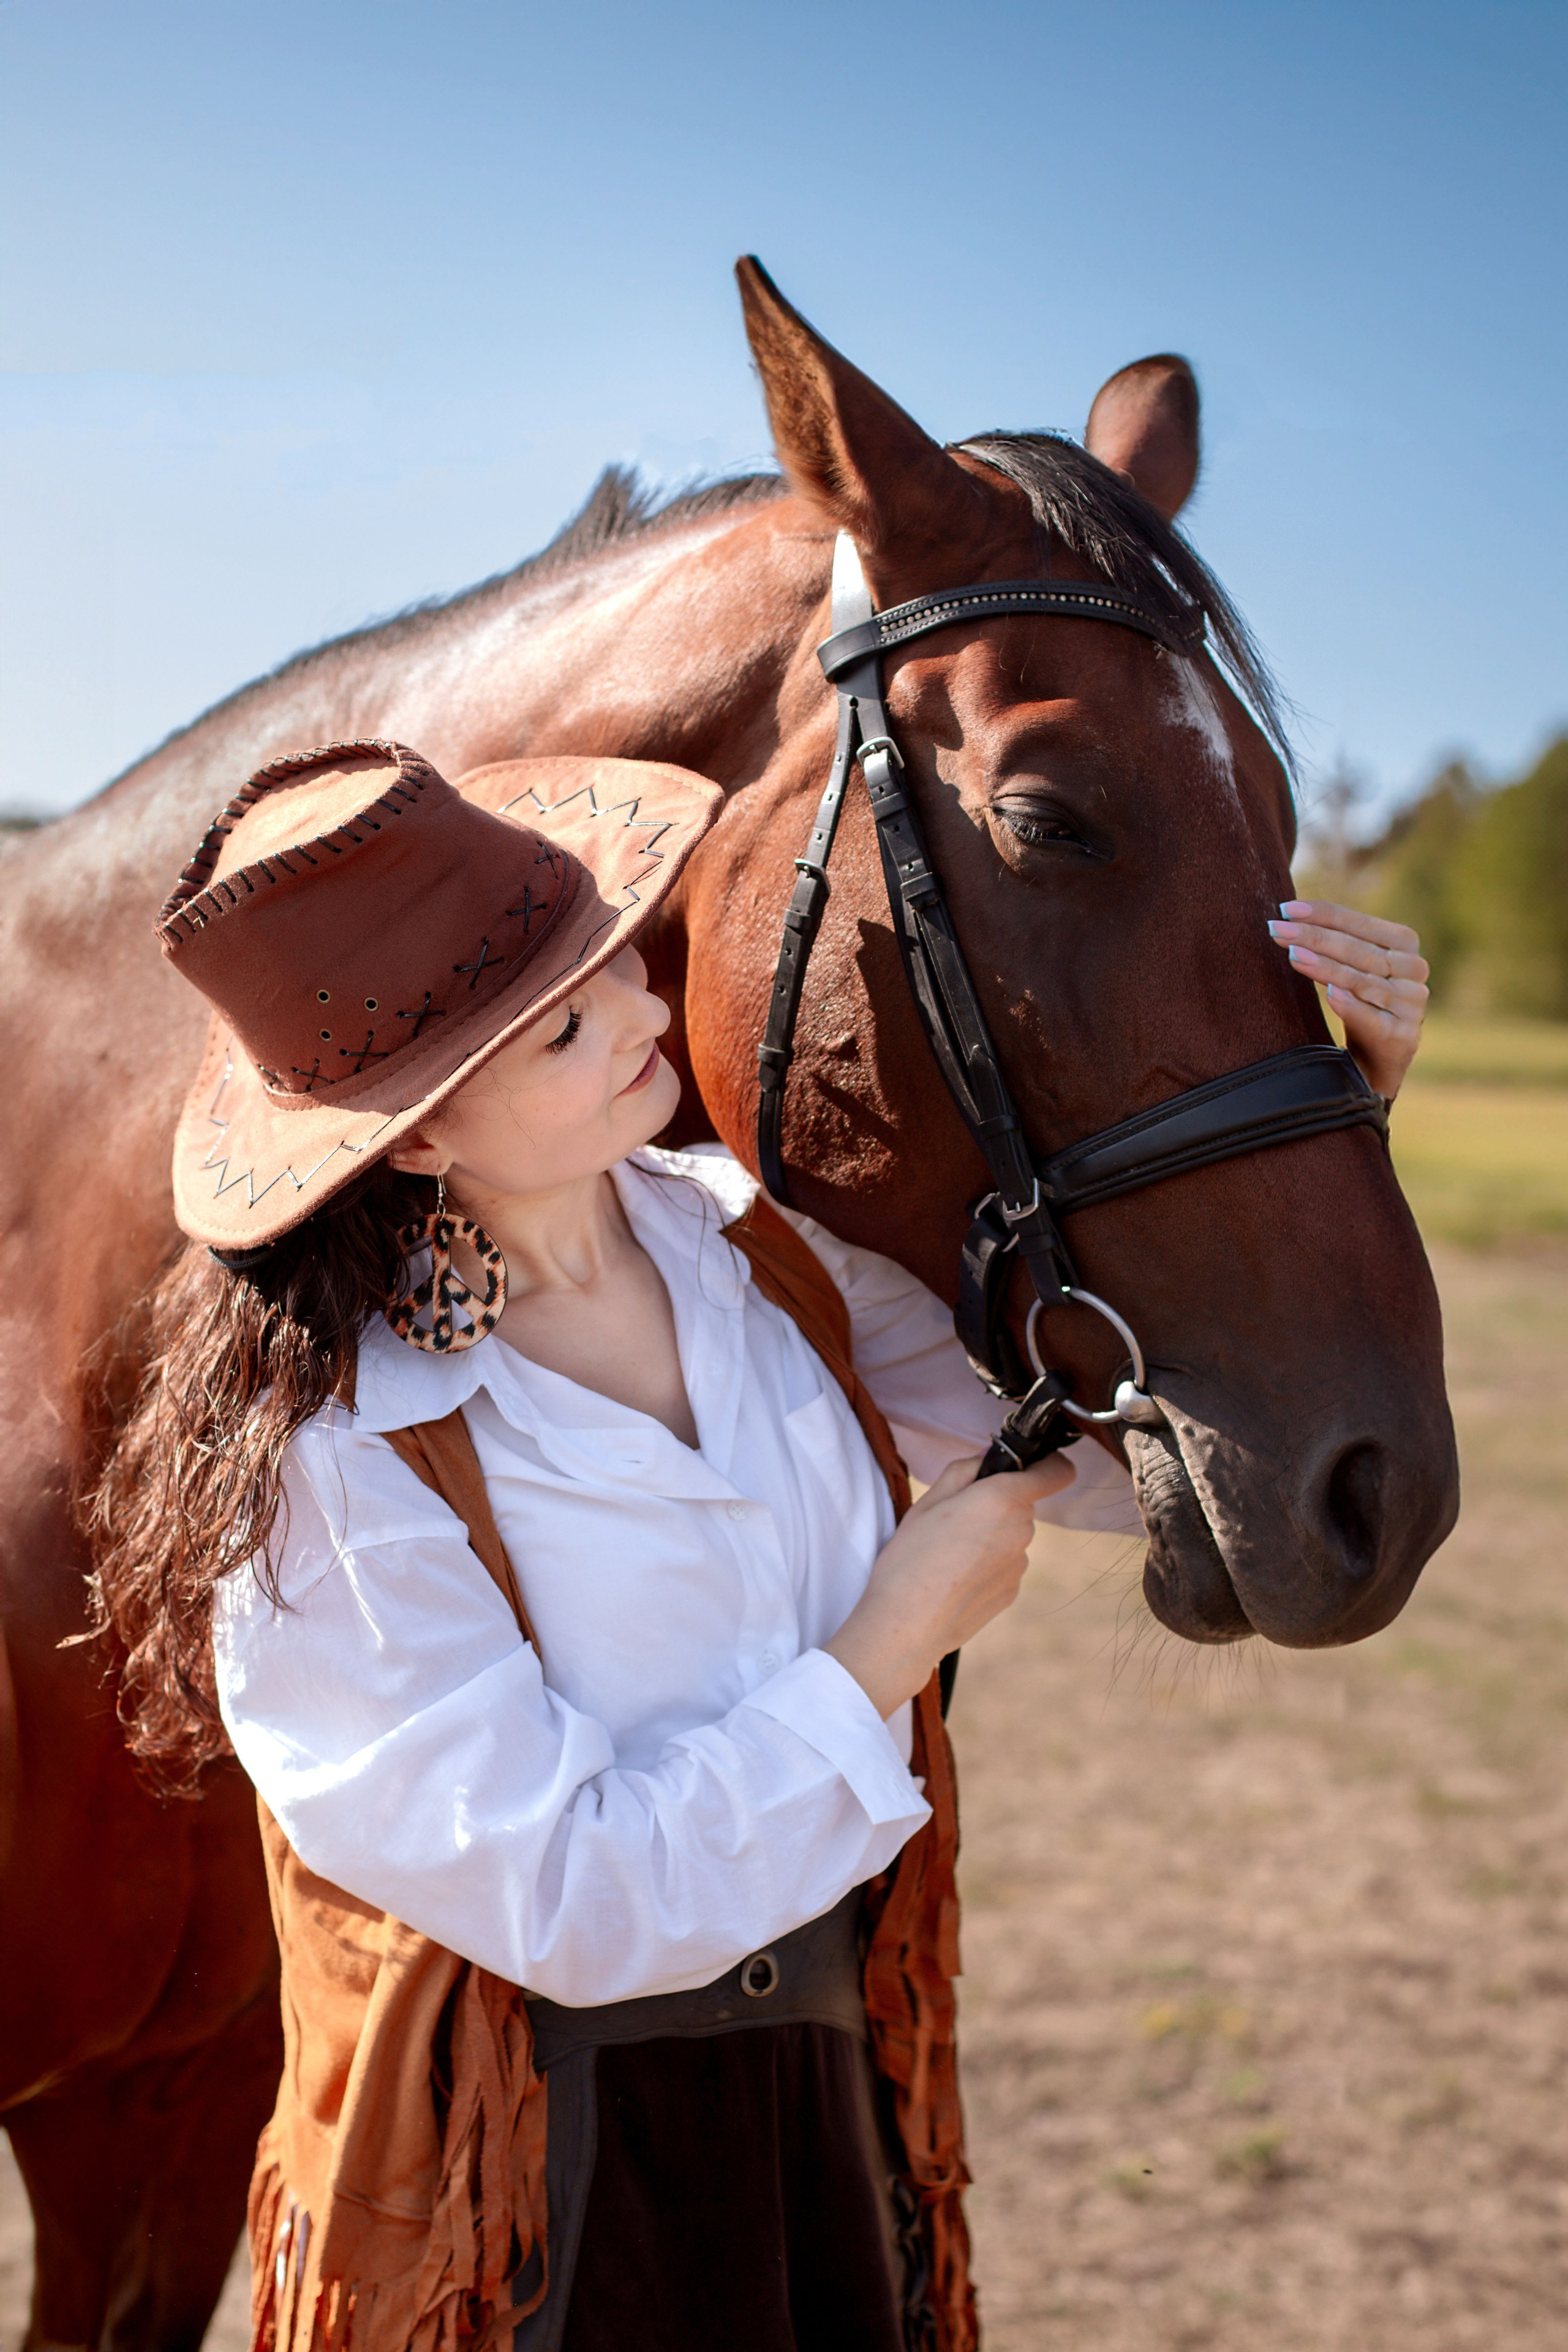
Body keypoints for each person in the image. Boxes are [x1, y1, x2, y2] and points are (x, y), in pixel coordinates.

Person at [89, 737, 1428, 2352]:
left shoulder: (768, 1251)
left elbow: (1115, 1448)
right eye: (567, 1024)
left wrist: (1330, 1106)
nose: (642, 1014)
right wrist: (884, 1648)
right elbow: (574, 1901)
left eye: (612, 953)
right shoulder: (338, 1469)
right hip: (543, 2199)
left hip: (831, 2100)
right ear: (420, 1140)